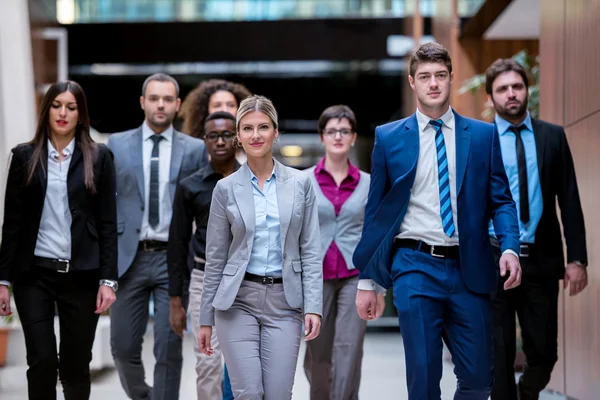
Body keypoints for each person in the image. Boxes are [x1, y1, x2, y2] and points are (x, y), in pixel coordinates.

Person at [352, 42, 522, 400]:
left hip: (469, 268)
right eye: (425, 76)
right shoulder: (388, 137)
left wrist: (509, 246)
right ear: (413, 82)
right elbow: (377, 213)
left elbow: (502, 200)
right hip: (414, 266)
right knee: (425, 378)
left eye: (440, 76)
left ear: (450, 79)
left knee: (478, 381)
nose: (433, 84)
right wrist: (369, 280)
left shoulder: (481, 135)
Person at [197, 95, 323, 400]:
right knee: (248, 394)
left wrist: (314, 307)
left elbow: (310, 250)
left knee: (279, 394)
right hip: (237, 301)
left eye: (263, 127)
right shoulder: (225, 189)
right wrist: (205, 318)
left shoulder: (301, 183)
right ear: (238, 135)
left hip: (285, 302)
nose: (256, 135)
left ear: (275, 132)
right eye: (248, 128)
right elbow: (215, 258)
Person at [0, 81, 118, 400]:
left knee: (76, 366)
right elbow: (12, 222)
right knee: (42, 361)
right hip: (33, 276)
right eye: (56, 105)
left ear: (81, 114)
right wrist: (3, 280)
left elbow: (108, 222)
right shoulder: (24, 156)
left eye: (71, 107)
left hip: (82, 275)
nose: (63, 113)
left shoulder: (99, 157)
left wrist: (108, 280)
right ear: (47, 110)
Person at [485, 58, 588, 400]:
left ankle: (526, 393)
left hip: (541, 259)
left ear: (527, 91)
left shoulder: (552, 136)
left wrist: (577, 259)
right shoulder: (480, 140)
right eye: (502, 89)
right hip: (493, 256)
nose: (511, 94)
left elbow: (569, 199)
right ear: (491, 98)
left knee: (544, 354)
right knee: (497, 354)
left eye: (517, 86)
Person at [107, 73, 208, 400]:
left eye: (167, 99)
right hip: (129, 258)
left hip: (173, 260)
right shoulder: (117, 144)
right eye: (154, 98)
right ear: (142, 102)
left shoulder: (194, 150)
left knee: (169, 348)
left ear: (178, 105)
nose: (160, 104)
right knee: (122, 347)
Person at [303, 105, 374, 400]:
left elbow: (373, 237)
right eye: (331, 131)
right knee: (316, 352)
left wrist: (376, 287)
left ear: (353, 137)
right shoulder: (303, 181)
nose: (337, 136)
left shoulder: (369, 183)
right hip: (314, 276)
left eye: (344, 131)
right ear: (322, 137)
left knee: (350, 348)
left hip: (353, 277)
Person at [168, 111, 240, 400]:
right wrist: (176, 300)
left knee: (242, 363)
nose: (220, 141)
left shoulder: (253, 181)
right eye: (213, 135)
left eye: (226, 135)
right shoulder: (190, 186)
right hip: (204, 279)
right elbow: (177, 243)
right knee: (208, 362)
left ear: (236, 138)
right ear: (205, 141)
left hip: (245, 280)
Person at [179, 79, 252, 140]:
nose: (224, 110)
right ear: (205, 111)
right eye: (217, 105)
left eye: (231, 105)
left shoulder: (250, 149)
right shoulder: (195, 150)